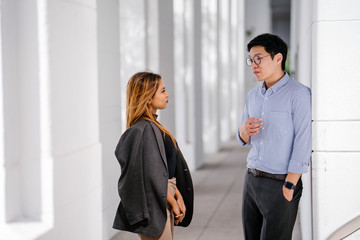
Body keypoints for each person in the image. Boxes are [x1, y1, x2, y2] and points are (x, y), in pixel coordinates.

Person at [237, 33, 311, 240]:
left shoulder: (299, 94)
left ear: (278, 58)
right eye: (251, 60)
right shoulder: (252, 96)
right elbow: (242, 137)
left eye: (259, 58)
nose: (253, 64)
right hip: (251, 179)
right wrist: (243, 133)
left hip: (281, 183)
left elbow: (303, 140)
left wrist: (290, 183)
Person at [113, 72, 194, 240]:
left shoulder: (153, 126)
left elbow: (162, 170)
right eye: (162, 91)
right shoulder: (144, 130)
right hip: (157, 202)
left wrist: (177, 195)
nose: (167, 94)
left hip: (165, 196)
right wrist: (173, 201)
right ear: (148, 98)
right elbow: (151, 175)